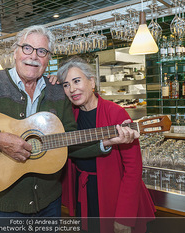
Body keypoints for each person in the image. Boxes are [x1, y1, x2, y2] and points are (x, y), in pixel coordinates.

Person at [0, 25, 137, 222]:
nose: (33, 56)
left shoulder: (57, 92)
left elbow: (69, 143)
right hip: (3, 204)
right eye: (27, 48)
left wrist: (105, 142)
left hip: (49, 203)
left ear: (48, 59)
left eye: (42, 51)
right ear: (15, 52)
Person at [57, 57, 156, 233]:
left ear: (92, 81)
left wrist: (124, 217)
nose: (72, 89)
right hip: (85, 192)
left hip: (113, 195)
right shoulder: (70, 116)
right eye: (65, 85)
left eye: (77, 81)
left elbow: (133, 169)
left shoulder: (115, 113)